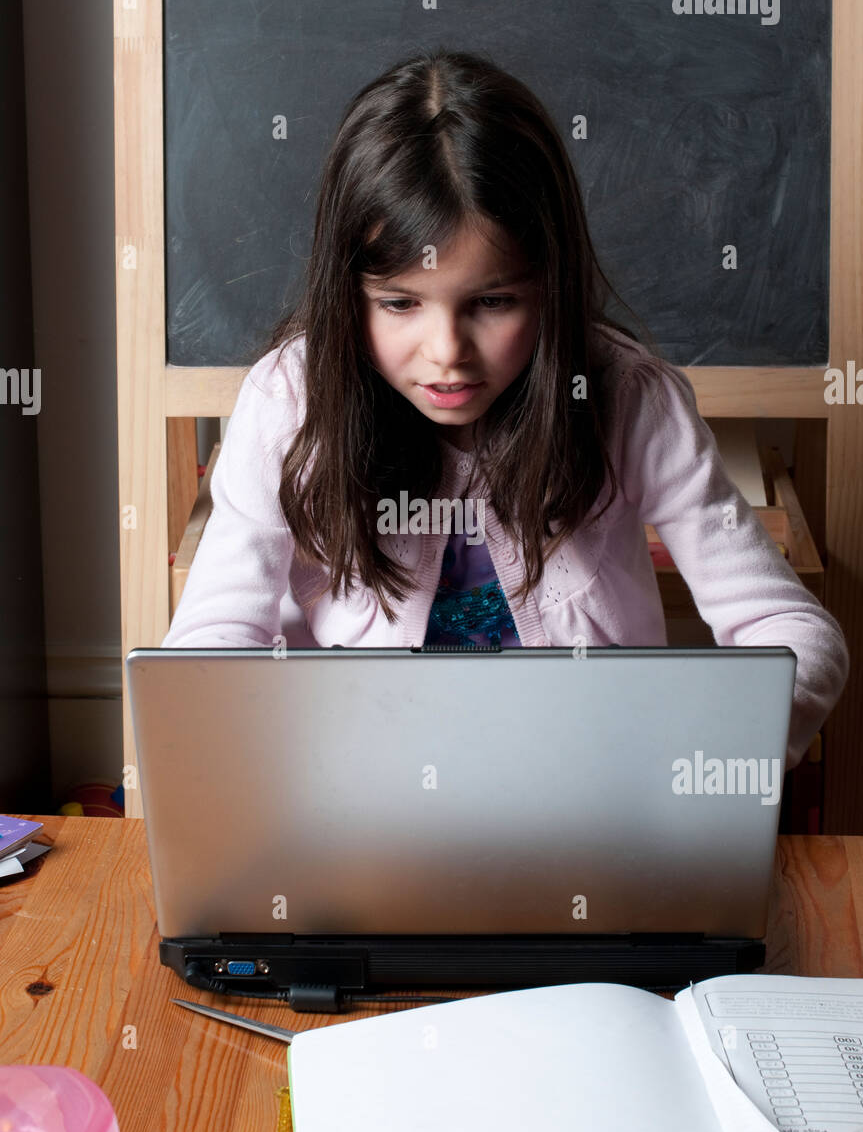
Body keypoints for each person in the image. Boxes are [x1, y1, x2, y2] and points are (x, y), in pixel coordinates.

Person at [162, 47, 848, 770]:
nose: (446, 352)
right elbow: (213, 638)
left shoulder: (628, 399)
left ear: (550, 283)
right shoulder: (289, 401)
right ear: (346, 292)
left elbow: (790, 628)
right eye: (399, 303)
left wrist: (710, 755)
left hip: (588, 795)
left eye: (492, 302)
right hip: (363, 795)